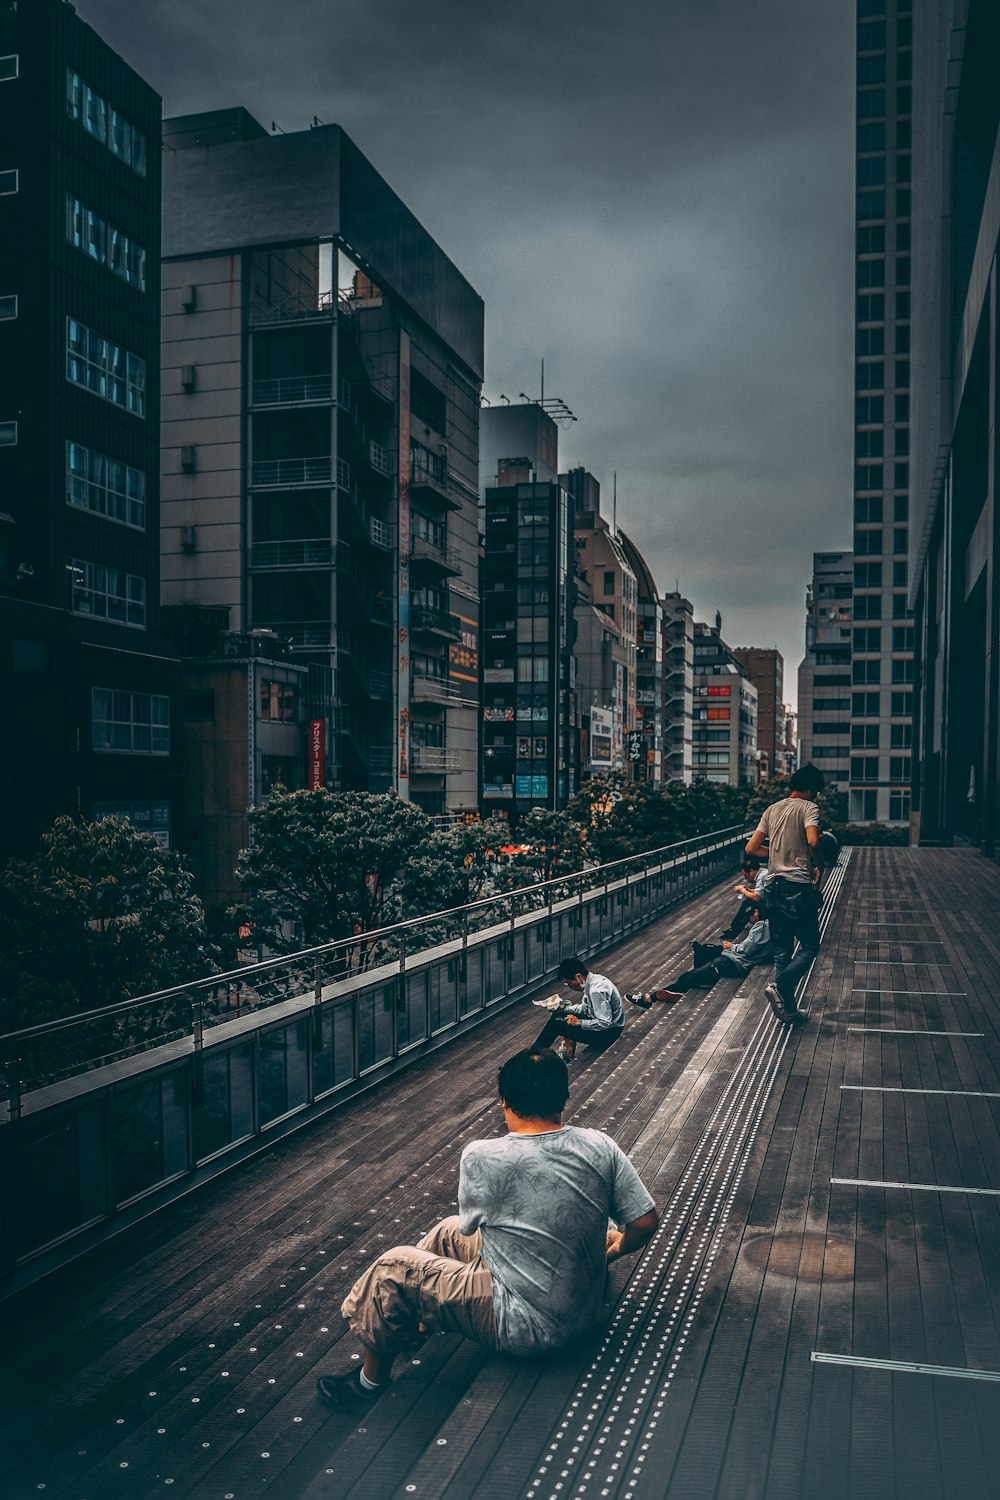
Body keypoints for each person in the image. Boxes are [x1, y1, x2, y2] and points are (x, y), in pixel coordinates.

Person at [316, 1048, 659, 1410]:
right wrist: (617, 1248)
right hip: (583, 1308)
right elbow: (645, 1221)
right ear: (564, 1097)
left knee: (392, 1269)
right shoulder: (600, 1144)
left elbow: (473, 1223)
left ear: (506, 1102)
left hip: (528, 1326)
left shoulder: (483, 1155)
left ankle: (369, 1385)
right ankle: (418, 1324)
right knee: (446, 1231)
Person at [744, 762, 825, 1024]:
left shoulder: (772, 809)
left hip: (772, 887)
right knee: (811, 945)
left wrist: (776, 854)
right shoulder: (809, 808)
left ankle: (788, 1011)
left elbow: (751, 848)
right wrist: (818, 864)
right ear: (811, 789)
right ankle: (781, 986)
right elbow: (813, 840)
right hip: (796, 885)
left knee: (782, 952)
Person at [626, 918, 773, 1006]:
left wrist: (731, 946)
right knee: (704, 950)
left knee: (688, 977)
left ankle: (650, 999)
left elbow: (746, 950)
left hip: (732, 963)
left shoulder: (763, 926)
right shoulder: (774, 927)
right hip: (733, 960)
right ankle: (698, 974)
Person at [532, 956, 625, 1062]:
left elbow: (605, 1023)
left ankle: (532, 1058)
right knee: (558, 1015)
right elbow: (586, 1009)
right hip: (610, 1028)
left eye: (569, 983)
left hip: (608, 1034)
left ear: (578, 977)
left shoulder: (596, 991)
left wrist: (579, 1022)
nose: (569, 987)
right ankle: (536, 1054)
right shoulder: (593, 981)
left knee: (556, 1024)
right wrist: (564, 1009)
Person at [718, 856, 770, 941]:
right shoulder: (763, 872)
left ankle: (735, 929)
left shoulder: (761, 876)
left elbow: (757, 897)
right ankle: (735, 928)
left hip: (772, 906)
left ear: (752, 871)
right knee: (748, 902)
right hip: (772, 901)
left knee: (748, 903)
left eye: (746, 876)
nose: (746, 879)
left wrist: (742, 890)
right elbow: (762, 891)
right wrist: (748, 890)